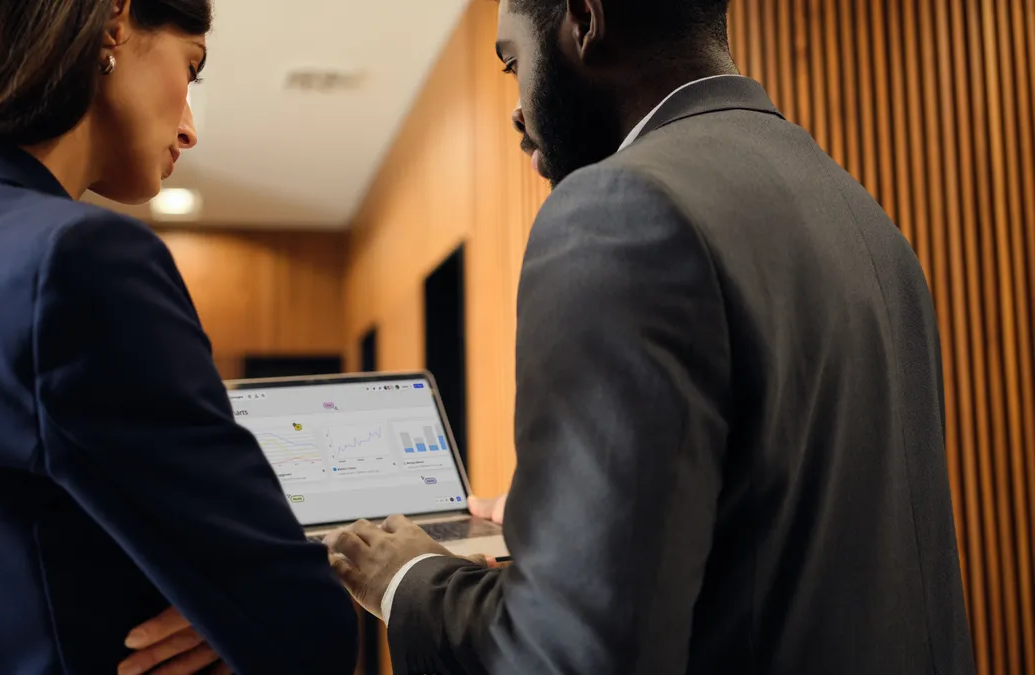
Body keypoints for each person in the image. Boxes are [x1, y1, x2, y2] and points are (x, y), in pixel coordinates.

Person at [321, 0, 977, 673]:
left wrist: (407, 578)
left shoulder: (618, 212)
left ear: (584, 20)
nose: (517, 108)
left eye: (513, 61)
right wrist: (571, 520)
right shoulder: (863, 216)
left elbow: (571, 657)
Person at [0, 1, 357, 673]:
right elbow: (307, 631)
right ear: (114, 22)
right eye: (192, 68)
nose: (191, 129)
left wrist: (224, 601)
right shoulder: (78, 260)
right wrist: (240, 607)